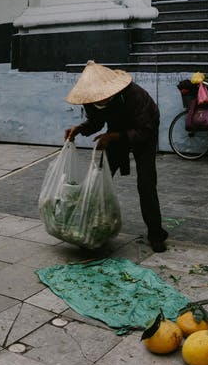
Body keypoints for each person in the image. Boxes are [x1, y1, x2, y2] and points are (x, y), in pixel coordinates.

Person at [64, 60, 168, 253]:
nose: (98, 101)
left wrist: (113, 136)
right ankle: (92, 227)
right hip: (115, 133)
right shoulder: (90, 100)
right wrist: (79, 129)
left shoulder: (136, 95)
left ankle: (156, 233)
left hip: (144, 133)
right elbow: (95, 122)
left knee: (146, 184)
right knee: (99, 180)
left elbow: (145, 130)